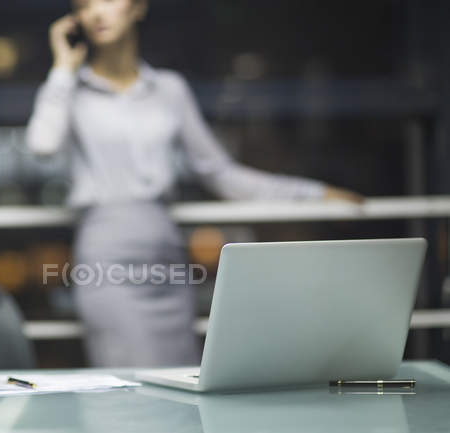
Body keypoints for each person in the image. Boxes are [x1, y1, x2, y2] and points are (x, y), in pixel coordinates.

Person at [25, 0, 362, 367]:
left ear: (138, 8)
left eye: (108, 0)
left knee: (179, 386)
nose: (97, 12)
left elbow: (220, 174)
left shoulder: (170, 89)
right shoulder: (72, 90)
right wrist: (62, 68)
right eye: (85, 5)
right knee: (127, 395)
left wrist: (313, 194)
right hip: (106, 260)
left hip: (167, 255)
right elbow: (42, 145)